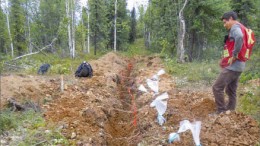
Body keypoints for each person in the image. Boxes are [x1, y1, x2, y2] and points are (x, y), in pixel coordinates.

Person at [212, 11, 246, 114]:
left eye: (225, 22)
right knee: (231, 90)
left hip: (234, 66)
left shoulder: (235, 28)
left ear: (231, 19)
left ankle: (221, 111)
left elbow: (239, 37)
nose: (224, 25)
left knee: (217, 87)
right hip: (239, 65)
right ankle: (231, 112)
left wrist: (234, 55)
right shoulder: (241, 27)